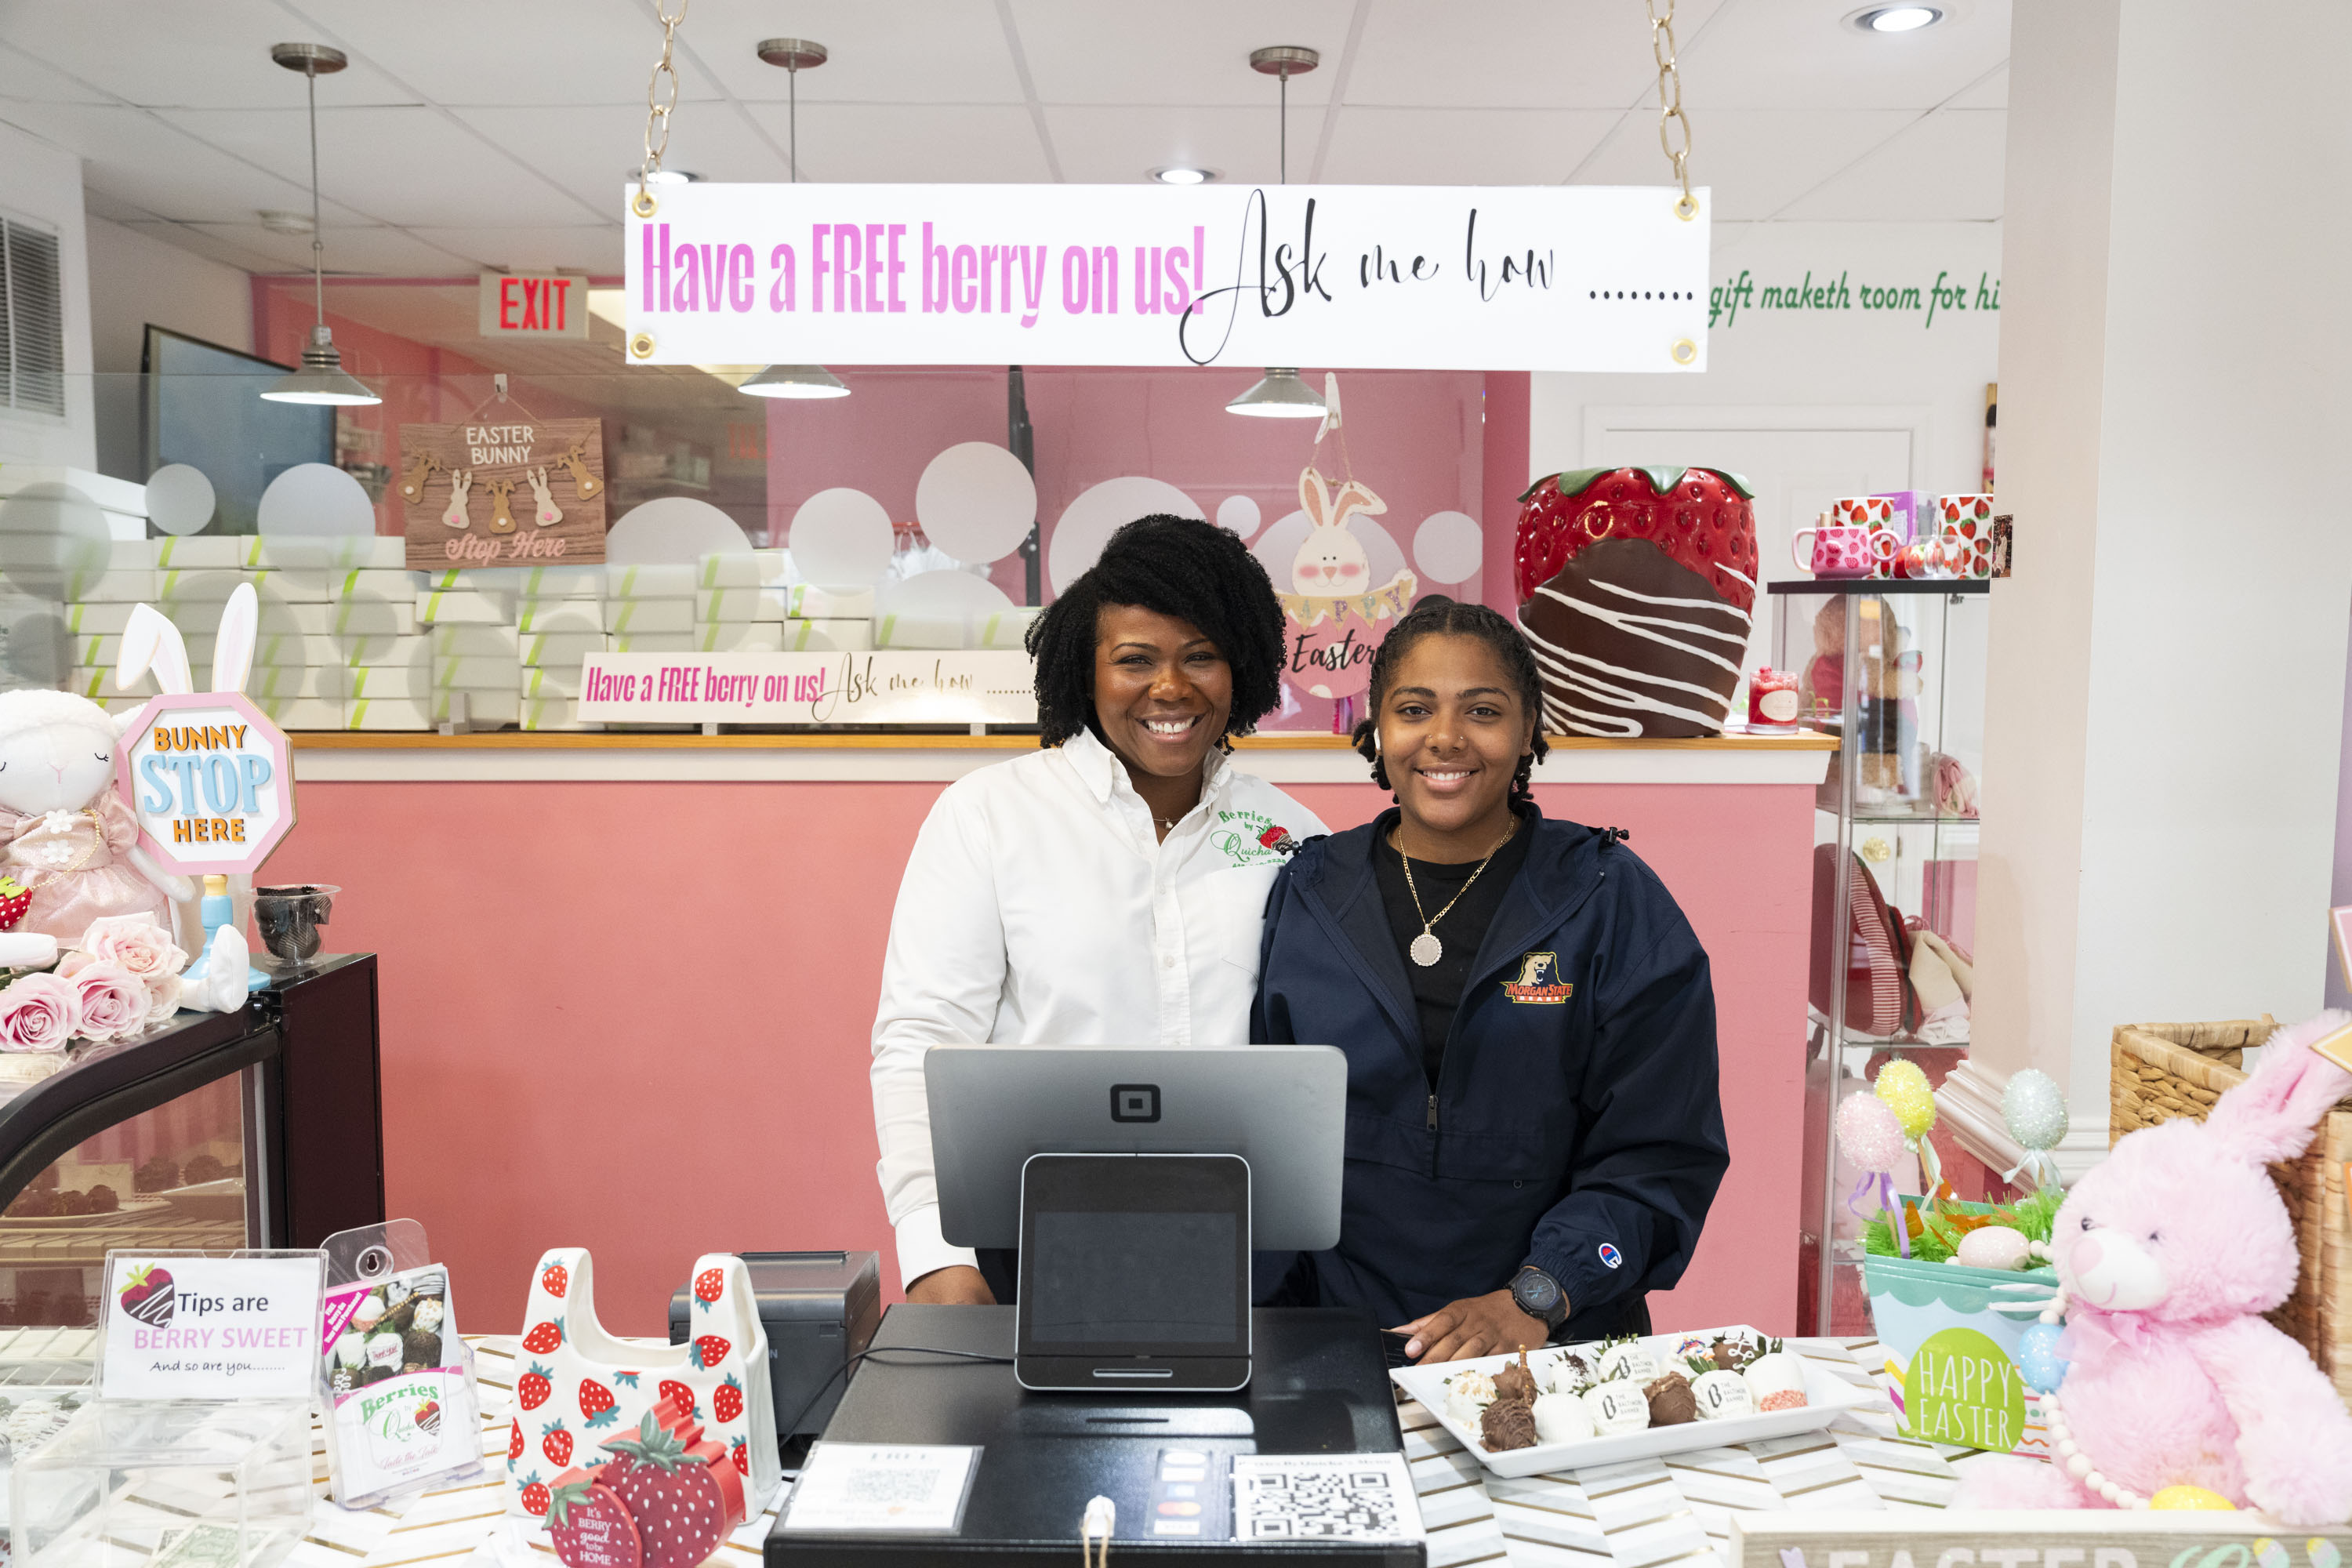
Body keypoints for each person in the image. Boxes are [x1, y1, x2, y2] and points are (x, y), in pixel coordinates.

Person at [1253, 597, 1727, 1361]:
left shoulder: (1610, 900)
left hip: (1555, 1344)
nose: (1445, 736)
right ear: (1375, 727)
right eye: (1414, 708)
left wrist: (1538, 1294)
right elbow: (1266, 1149)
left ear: (1529, 727)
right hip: (1335, 1349)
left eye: (1482, 709)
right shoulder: (1307, 892)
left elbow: (1659, 1160)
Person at [871, 514, 1328, 1305]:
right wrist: (937, 1256)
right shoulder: (988, 815)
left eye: (1201, 656)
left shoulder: (1297, 837)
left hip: (1254, 1260)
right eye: (1135, 660)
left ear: (1242, 665)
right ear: (1086, 671)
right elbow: (922, 1040)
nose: (1171, 688)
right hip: (1037, 1249)